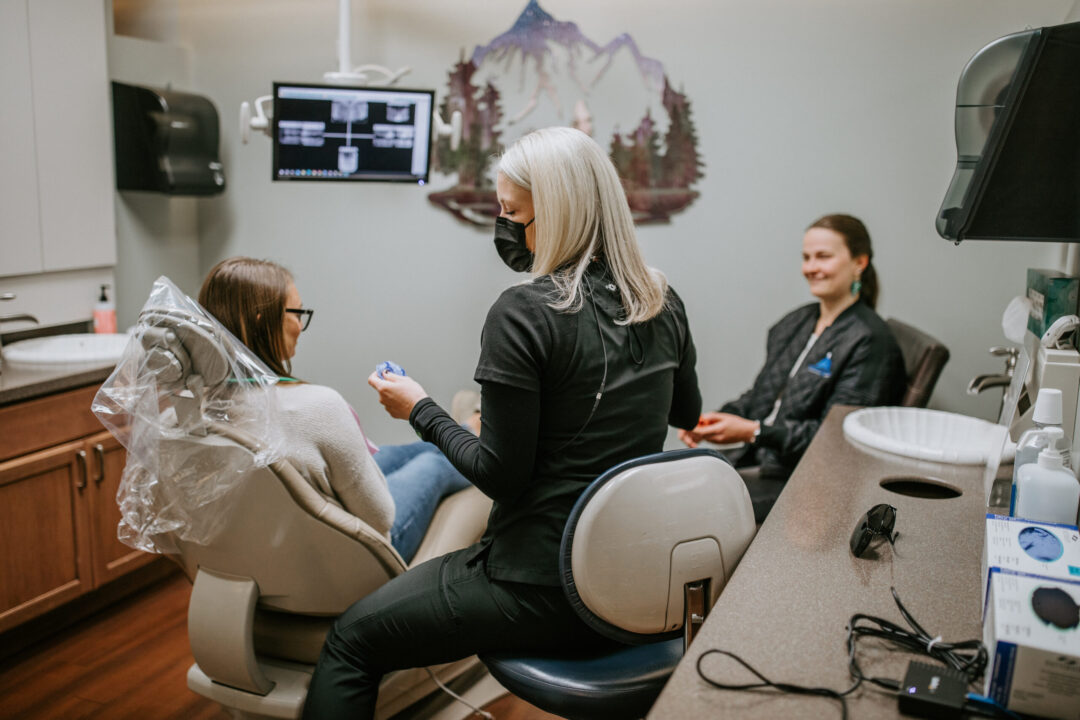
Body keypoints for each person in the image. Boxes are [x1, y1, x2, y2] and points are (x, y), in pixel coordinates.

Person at [301, 126, 702, 718]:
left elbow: (502, 477)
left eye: (513, 212)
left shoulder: (523, 312)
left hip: (545, 589)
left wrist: (421, 409)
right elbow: (684, 413)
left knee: (352, 642)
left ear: (559, 213)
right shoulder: (661, 300)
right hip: (636, 579)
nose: (505, 226)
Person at [197, 257, 470, 563]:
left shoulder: (197, 406)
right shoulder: (318, 406)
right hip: (350, 561)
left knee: (401, 453)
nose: (300, 326)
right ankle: (476, 437)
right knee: (432, 465)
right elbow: (381, 519)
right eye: (297, 313)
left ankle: (468, 430)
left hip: (268, 545)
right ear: (263, 320)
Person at [680, 213, 906, 522]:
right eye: (806, 257)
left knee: (685, 512)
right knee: (669, 489)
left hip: (802, 483)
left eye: (823, 257)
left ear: (859, 262)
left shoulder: (870, 341)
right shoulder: (796, 322)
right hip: (755, 460)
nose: (811, 268)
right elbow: (763, 395)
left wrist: (753, 432)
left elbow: (836, 441)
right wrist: (712, 421)